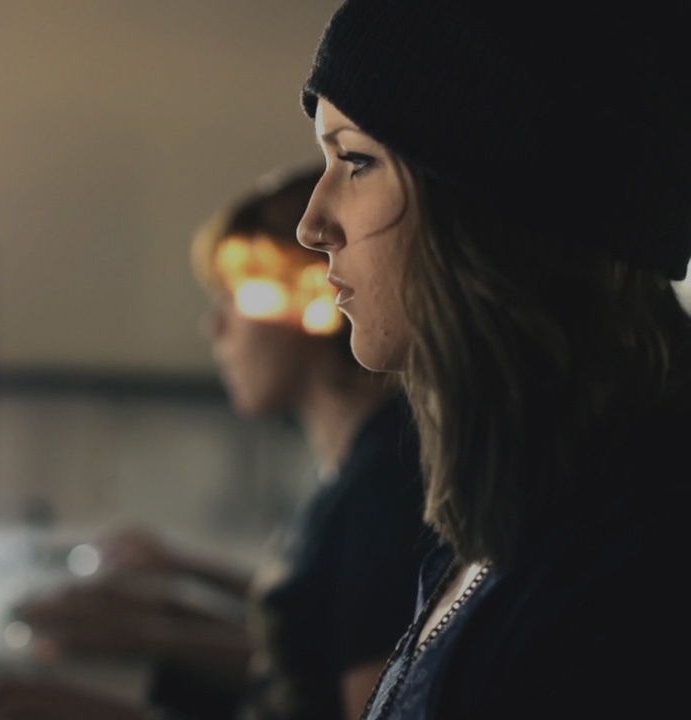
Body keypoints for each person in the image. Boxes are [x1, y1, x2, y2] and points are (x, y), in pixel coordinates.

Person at [292, 1, 691, 718]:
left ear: (486, 201)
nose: (313, 224)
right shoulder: (510, 500)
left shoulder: (632, 569)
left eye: (356, 159)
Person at [0, 167, 434, 720]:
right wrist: (164, 609)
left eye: (235, 297)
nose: (215, 328)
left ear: (320, 297)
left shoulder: (384, 490)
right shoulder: (368, 459)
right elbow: (306, 646)